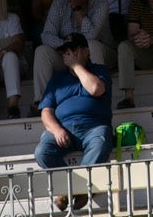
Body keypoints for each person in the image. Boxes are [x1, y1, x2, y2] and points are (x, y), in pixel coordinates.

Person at [34, 32, 113, 195]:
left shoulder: (100, 71)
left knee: (102, 141)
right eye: (65, 51)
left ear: (86, 51)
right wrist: (57, 130)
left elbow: (95, 89)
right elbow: (46, 111)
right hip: (64, 129)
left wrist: (76, 66)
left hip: (94, 128)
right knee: (42, 152)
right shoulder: (57, 80)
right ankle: (77, 187)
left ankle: (75, 190)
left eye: (74, 50)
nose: (68, 54)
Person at [32, 0, 110, 100]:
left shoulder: (100, 3)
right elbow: (46, 35)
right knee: (41, 51)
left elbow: (91, 35)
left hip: (100, 53)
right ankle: (41, 102)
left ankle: (98, 96)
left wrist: (77, 7)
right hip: (68, 54)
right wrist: (67, 46)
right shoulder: (59, 2)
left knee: (92, 44)